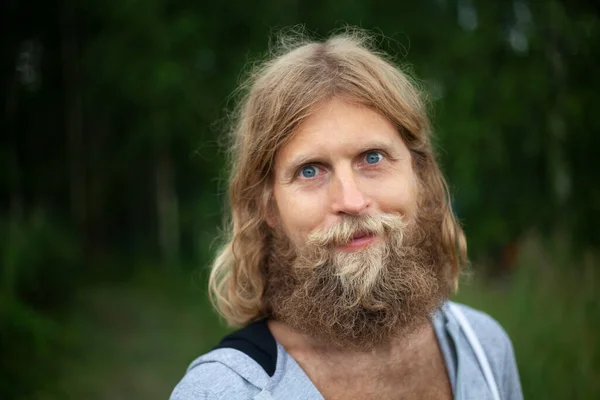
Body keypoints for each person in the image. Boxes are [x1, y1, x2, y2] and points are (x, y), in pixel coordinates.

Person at [171, 30, 523, 400]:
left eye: (372, 158)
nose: (351, 201)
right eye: (310, 170)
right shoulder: (221, 392)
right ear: (268, 206)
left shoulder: (483, 348)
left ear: (419, 176)